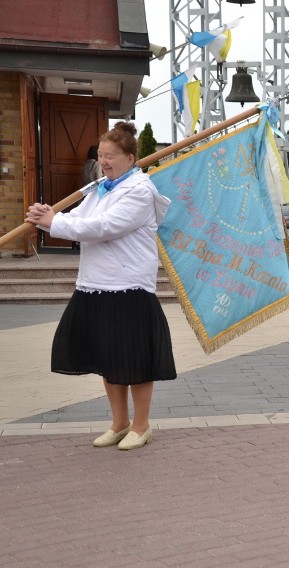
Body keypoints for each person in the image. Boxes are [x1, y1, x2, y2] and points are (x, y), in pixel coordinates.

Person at [25, 122, 176, 450]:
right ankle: (120, 423)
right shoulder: (98, 188)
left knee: (135, 359)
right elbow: (79, 219)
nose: (104, 161)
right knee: (108, 356)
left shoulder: (139, 190)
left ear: (131, 158)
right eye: (100, 155)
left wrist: (56, 222)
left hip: (129, 286)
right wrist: (49, 214)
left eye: (111, 156)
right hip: (95, 283)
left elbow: (105, 226)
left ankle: (141, 425)